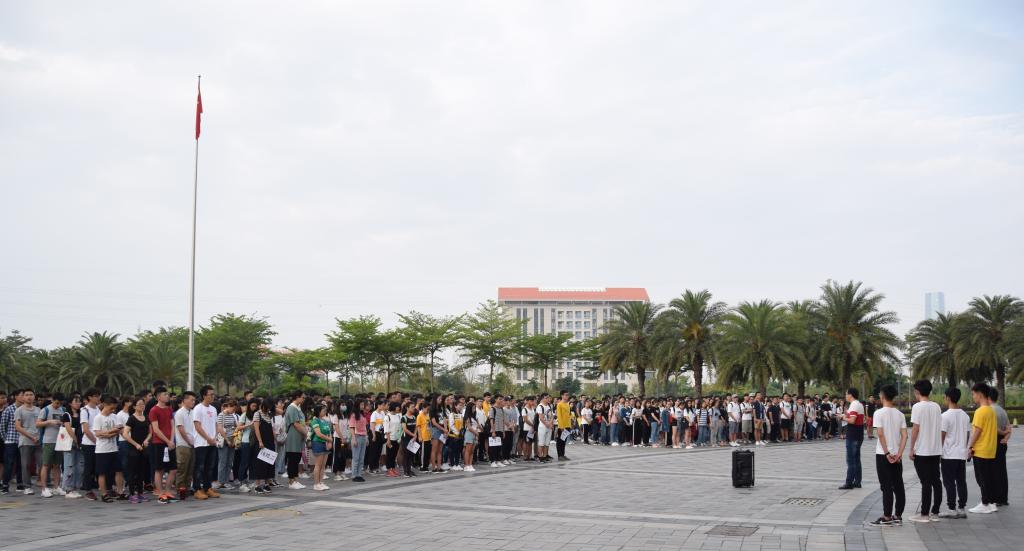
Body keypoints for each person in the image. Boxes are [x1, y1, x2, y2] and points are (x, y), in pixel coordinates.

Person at [869, 385, 907, 526]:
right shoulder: (900, 414)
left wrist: (886, 453)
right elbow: (905, 436)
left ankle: (887, 516)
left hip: (883, 454)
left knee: (886, 486)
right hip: (897, 455)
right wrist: (899, 454)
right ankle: (898, 515)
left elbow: (879, 434)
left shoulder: (878, 413)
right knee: (898, 485)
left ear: (882, 396)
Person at [908, 379, 942, 522]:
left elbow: (915, 429)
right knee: (936, 481)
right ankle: (935, 512)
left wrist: (911, 448)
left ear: (917, 391)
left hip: (922, 450)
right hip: (935, 450)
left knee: (925, 482)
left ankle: (924, 514)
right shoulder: (937, 406)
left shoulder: (917, 407)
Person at [938, 387, 970, 519]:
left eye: (945, 397)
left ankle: (951, 509)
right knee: (961, 481)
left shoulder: (944, 416)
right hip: (961, 454)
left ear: (948, 398)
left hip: (948, 454)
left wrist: (938, 452)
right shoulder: (965, 416)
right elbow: (967, 435)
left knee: (949, 482)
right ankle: (961, 508)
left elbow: (941, 436)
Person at [967, 383, 998, 514]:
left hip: (981, 450)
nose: (973, 396)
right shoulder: (991, 410)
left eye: (973, 394)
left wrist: (970, 447)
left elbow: (977, 431)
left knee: (982, 478)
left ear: (979, 394)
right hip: (990, 449)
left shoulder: (980, 411)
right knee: (989, 477)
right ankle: (991, 503)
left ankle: (985, 503)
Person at [147, 387, 177, 503]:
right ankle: (160, 493)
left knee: (173, 469)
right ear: (158, 397)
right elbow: (156, 429)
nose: (167, 396)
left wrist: (171, 440)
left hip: (170, 443)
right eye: (165, 394)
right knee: (159, 469)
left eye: (167, 394)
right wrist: (167, 441)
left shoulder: (169, 409)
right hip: (159, 443)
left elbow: (172, 425)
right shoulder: (154, 410)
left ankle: (168, 491)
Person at [191, 385, 220, 500]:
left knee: (210, 466)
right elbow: (197, 426)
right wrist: (208, 438)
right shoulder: (198, 408)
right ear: (204, 396)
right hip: (201, 443)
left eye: (213, 394)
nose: (213, 396)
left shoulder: (213, 409)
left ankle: (207, 487)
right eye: (210, 395)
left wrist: (215, 437)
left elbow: (216, 425)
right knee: (199, 467)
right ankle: (197, 489)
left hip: (212, 442)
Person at [37, 392, 67, 497]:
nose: (58, 405)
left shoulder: (63, 410)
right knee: (45, 465)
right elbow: (38, 423)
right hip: (48, 441)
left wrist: (62, 423)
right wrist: (49, 422)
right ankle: (44, 489)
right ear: (52, 400)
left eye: (60, 403)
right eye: (57, 403)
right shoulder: (45, 410)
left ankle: (56, 487)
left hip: (59, 441)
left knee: (57, 465)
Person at [121, 397, 150, 503]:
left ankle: (140, 493)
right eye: (140, 404)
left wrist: (147, 440)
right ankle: (132, 494)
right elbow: (125, 434)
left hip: (144, 448)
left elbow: (150, 432)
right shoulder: (132, 418)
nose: (142, 406)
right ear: (134, 407)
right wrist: (136, 444)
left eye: (143, 404)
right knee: (132, 472)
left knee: (142, 471)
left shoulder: (146, 417)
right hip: (133, 448)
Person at [92, 395, 121, 503]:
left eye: (114, 408)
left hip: (114, 447)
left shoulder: (114, 416)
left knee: (118, 470)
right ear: (105, 405)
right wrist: (110, 432)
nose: (112, 410)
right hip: (102, 449)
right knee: (102, 472)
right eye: (111, 408)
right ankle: (104, 494)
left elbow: (119, 429)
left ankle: (120, 492)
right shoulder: (98, 418)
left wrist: (109, 433)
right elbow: (97, 433)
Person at [14, 388, 42, 495]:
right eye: (26, 395)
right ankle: (27, 486)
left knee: (42, 463)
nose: (29, 397)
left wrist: (39, 437)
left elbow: (41, 424)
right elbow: (18, 427)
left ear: (34, 397)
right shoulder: (19, 410)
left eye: (31, 394)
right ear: (23, 397)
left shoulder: (38, 410)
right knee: (25, 465)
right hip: (25, 441)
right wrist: (31, 437)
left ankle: (43, 483)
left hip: (38, 441)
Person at [988, 389, 1012, 507]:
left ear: (988, 397)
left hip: (994, 441)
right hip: (1002, 443)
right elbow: (1009, 427)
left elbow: (994, 428)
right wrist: (1006, 438)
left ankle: (995, 498)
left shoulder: (989, 410)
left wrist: (1003, 433)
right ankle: (1003, 498)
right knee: (1002, 470)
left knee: (993, 470)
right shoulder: (1002, 410)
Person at [839, 388, 865, 490]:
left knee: (850, 460)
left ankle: (849, 482)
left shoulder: (854, 404)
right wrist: (845, 415)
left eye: (846, 394)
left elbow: (852, 420)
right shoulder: (859, 404)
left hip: (853, 435)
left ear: (850, 395)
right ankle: (857, 482)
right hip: (858, 434)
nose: (845, 396)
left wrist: (843, 418)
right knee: (856, 459)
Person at [251, 397, 277, 494]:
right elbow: (256, 429)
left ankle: (266, 483)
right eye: (268, 407)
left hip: (270, 441)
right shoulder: (257, 414)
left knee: (269, 462)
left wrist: (275, 438)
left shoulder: (269, 414)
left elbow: (272, 428)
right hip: (261, 442)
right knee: (260, 463)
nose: (269, 409)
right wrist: (260, 441)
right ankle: (257, 485)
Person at [61, 394, 84, 498]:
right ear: (70, 403)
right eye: (76, 401)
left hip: (80, 443)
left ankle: (75, 488)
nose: (78, 403)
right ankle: (67, 489)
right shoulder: (66, 415)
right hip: (70, 443)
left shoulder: (82, 414)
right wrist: (75, 440)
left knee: (79, 467)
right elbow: (68, 429)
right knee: (69, 466)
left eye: (79, 401)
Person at [284, 390, 307, 489]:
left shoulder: (298, 407)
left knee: (297, 458)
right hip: (293, 435)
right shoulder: (292, 408)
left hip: (298, 436)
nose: (304, 399)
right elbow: (296, 424)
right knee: (293, 458)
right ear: (297, 397)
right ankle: (291, 481)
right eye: (302, 397)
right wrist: (306, 433)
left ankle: (295, 480)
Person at [215, 399, 238, 489]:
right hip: (224, 441)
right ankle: (221, 481)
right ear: (228, 406)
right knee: (223, 461)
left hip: (232, 440)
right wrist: (227, 440)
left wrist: (234, 438)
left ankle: (226, 481)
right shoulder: (221, 415)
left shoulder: (232, 416)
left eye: (235, 409)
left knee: (229, 462)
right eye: (233, 408)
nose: (233, 411)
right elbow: (220, 428)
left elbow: (236, 426)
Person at [310, 402, 333, 490]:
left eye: (325, 410)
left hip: (325, 443)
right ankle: (316, 484)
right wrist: (329, 440)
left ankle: (321, 482)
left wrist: (330, 441)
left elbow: (329, 432)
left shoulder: (325, 421)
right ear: (318, 411)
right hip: (318, 443)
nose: (325, 412)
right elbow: (318, 434)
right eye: (323, 410)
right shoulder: (315, 421)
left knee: (323, 465)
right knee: (318, 464)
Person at [348, 398, 369, 482]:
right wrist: (353, 438)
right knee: (356, 457)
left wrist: (366, 437)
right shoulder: (353, 415)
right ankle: (354, 475)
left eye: (363, 405)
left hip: (363, 436)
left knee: (361, 457)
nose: (363, 406)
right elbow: (351, 427)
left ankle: (359, 474)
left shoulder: (362, 415)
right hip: (357, 436)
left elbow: (365, 427)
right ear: (357, 405)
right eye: (361, 404)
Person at [383, 402, 402, 478]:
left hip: (396, 438)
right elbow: (386, 429)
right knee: (389, 454)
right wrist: (388, 440)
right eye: (397, 406)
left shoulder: (398, 416)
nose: (399, 408)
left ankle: (393, 468)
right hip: (390, 438)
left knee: (394, 454)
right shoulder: (387, 417)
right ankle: (389, 469)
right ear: (393, 407)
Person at [556, 391, 572, 460]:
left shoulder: (568, 404)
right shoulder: (559, 404)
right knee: (560, 441)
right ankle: (560, 456)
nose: (567, 396)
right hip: (562, 426)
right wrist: (561, 426)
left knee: (564, 441)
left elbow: (569, 415)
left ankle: (563, 454)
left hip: (567, 425)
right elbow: (559, 416)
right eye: (566, 395)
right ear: (562, 396)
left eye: (568, 395)